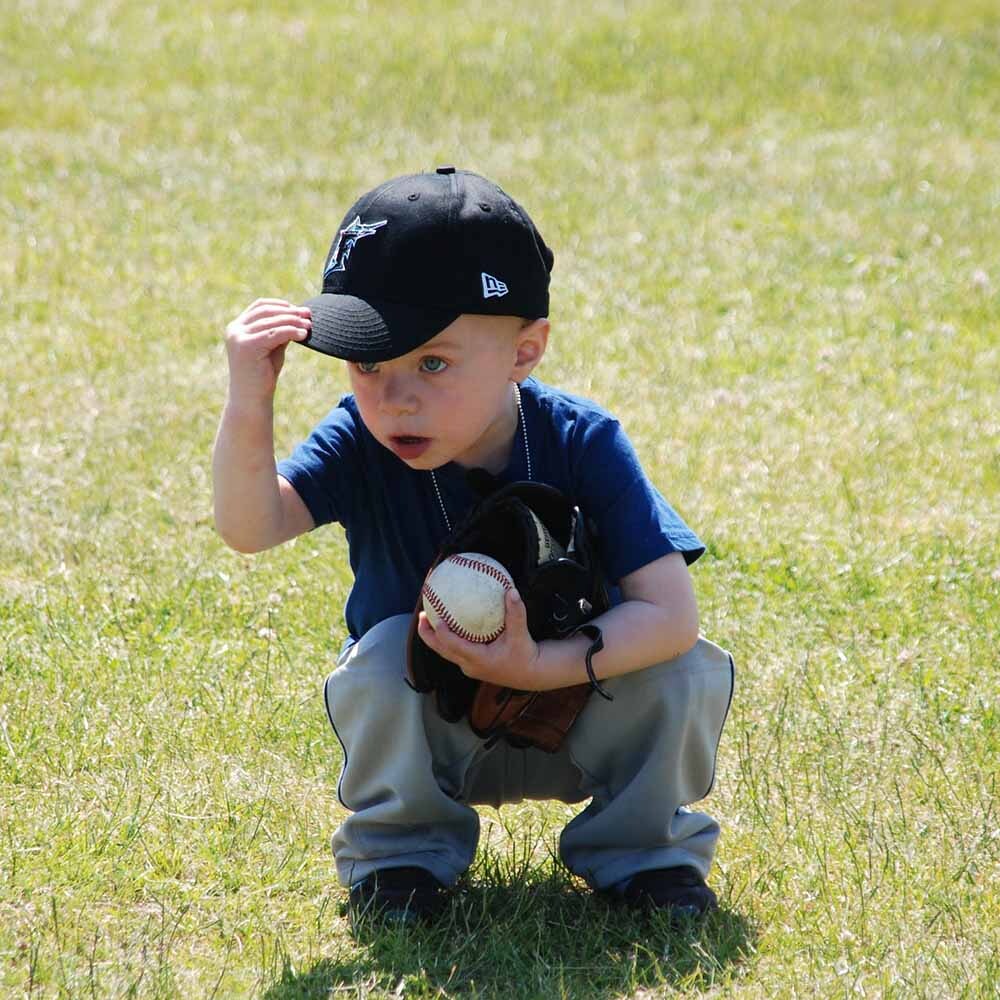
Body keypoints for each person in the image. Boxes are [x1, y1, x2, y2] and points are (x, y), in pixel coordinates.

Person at [212, 167, 735, 924]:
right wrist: (249, 398)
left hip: (581, 707)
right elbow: (250, 526)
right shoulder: (361, 439)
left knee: (682, 667)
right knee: (382, 658)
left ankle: (647, 857)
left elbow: (671, 614)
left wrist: (540, 666)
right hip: (436, 731)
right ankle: (400, 860)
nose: (396, 399)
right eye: (368, 364)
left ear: (524, 352)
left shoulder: (581, 440)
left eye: (432, 362)